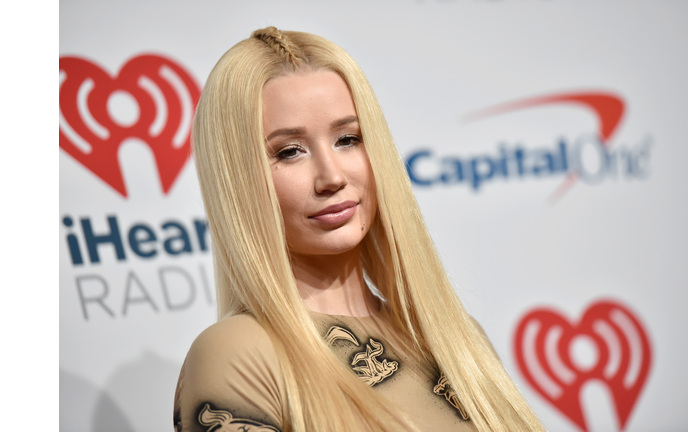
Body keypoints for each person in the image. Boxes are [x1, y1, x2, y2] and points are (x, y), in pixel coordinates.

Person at [174, 26, 545, 432]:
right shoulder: (238, 354)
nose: (331, 176)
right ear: (237, 180)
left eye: (348, 139)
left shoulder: (456, 338)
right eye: (289, 151)